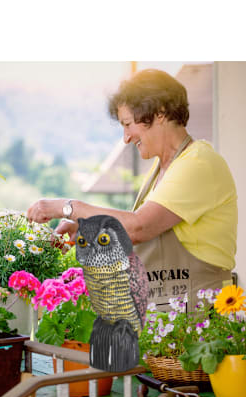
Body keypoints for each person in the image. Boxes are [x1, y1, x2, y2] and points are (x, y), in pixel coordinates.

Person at [26, 69, 238, 311]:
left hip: (201, 326)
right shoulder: (163, 169)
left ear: (159, 113)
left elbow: (139, 227)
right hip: (170, 322)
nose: (126, 137)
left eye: (128, 124)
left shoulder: (198, 163)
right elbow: (138, 232)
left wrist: (67, 208)